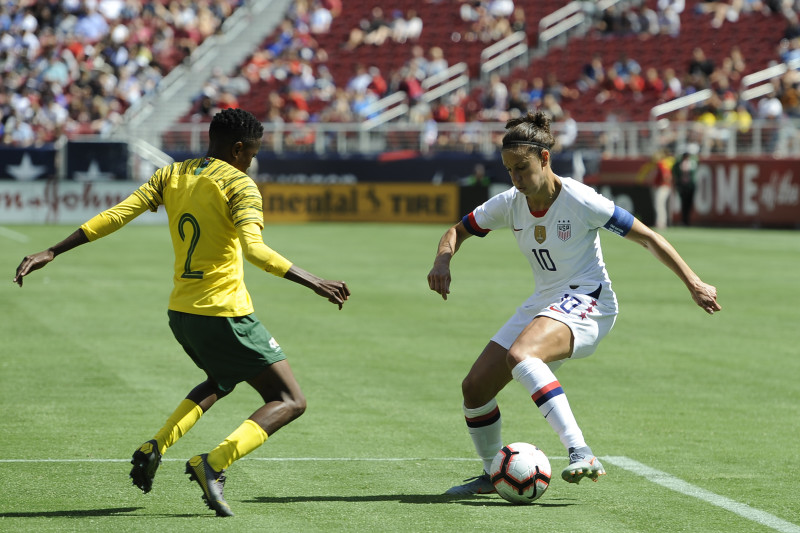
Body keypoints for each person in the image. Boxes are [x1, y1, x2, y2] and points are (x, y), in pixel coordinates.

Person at [13, 108, 350, 517]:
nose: (252, 162)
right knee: (289, 399)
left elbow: (117, 215)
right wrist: (314, 280)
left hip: (182, 312)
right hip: (225, 312)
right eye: (252, 154)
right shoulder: (241, 186)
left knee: (220, 380)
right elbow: (256, 252)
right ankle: (214, 463)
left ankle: (156, 443)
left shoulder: (172, 174)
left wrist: (53, 250)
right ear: (239, 149)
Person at [427, 111, 720, 496]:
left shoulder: (580, 200)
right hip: (545, 301)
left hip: (590, 300)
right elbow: (457, 230)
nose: (515, 178)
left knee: (521, 356)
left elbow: (649, 237)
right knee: (475, 388)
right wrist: (443, 259)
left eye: (522, 168)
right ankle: (492, 474)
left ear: (545, 159)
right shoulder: (510, 202)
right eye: (509, 169)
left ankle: (581, 452)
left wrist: (694, 282)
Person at [672, 150, 698, 226]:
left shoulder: (692, 163)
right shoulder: (679, 164)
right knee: (683, 203)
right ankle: (684, 220)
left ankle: (687, 220)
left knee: (689, 203)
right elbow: (675, 171)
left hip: (690, 186)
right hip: (682, 185)